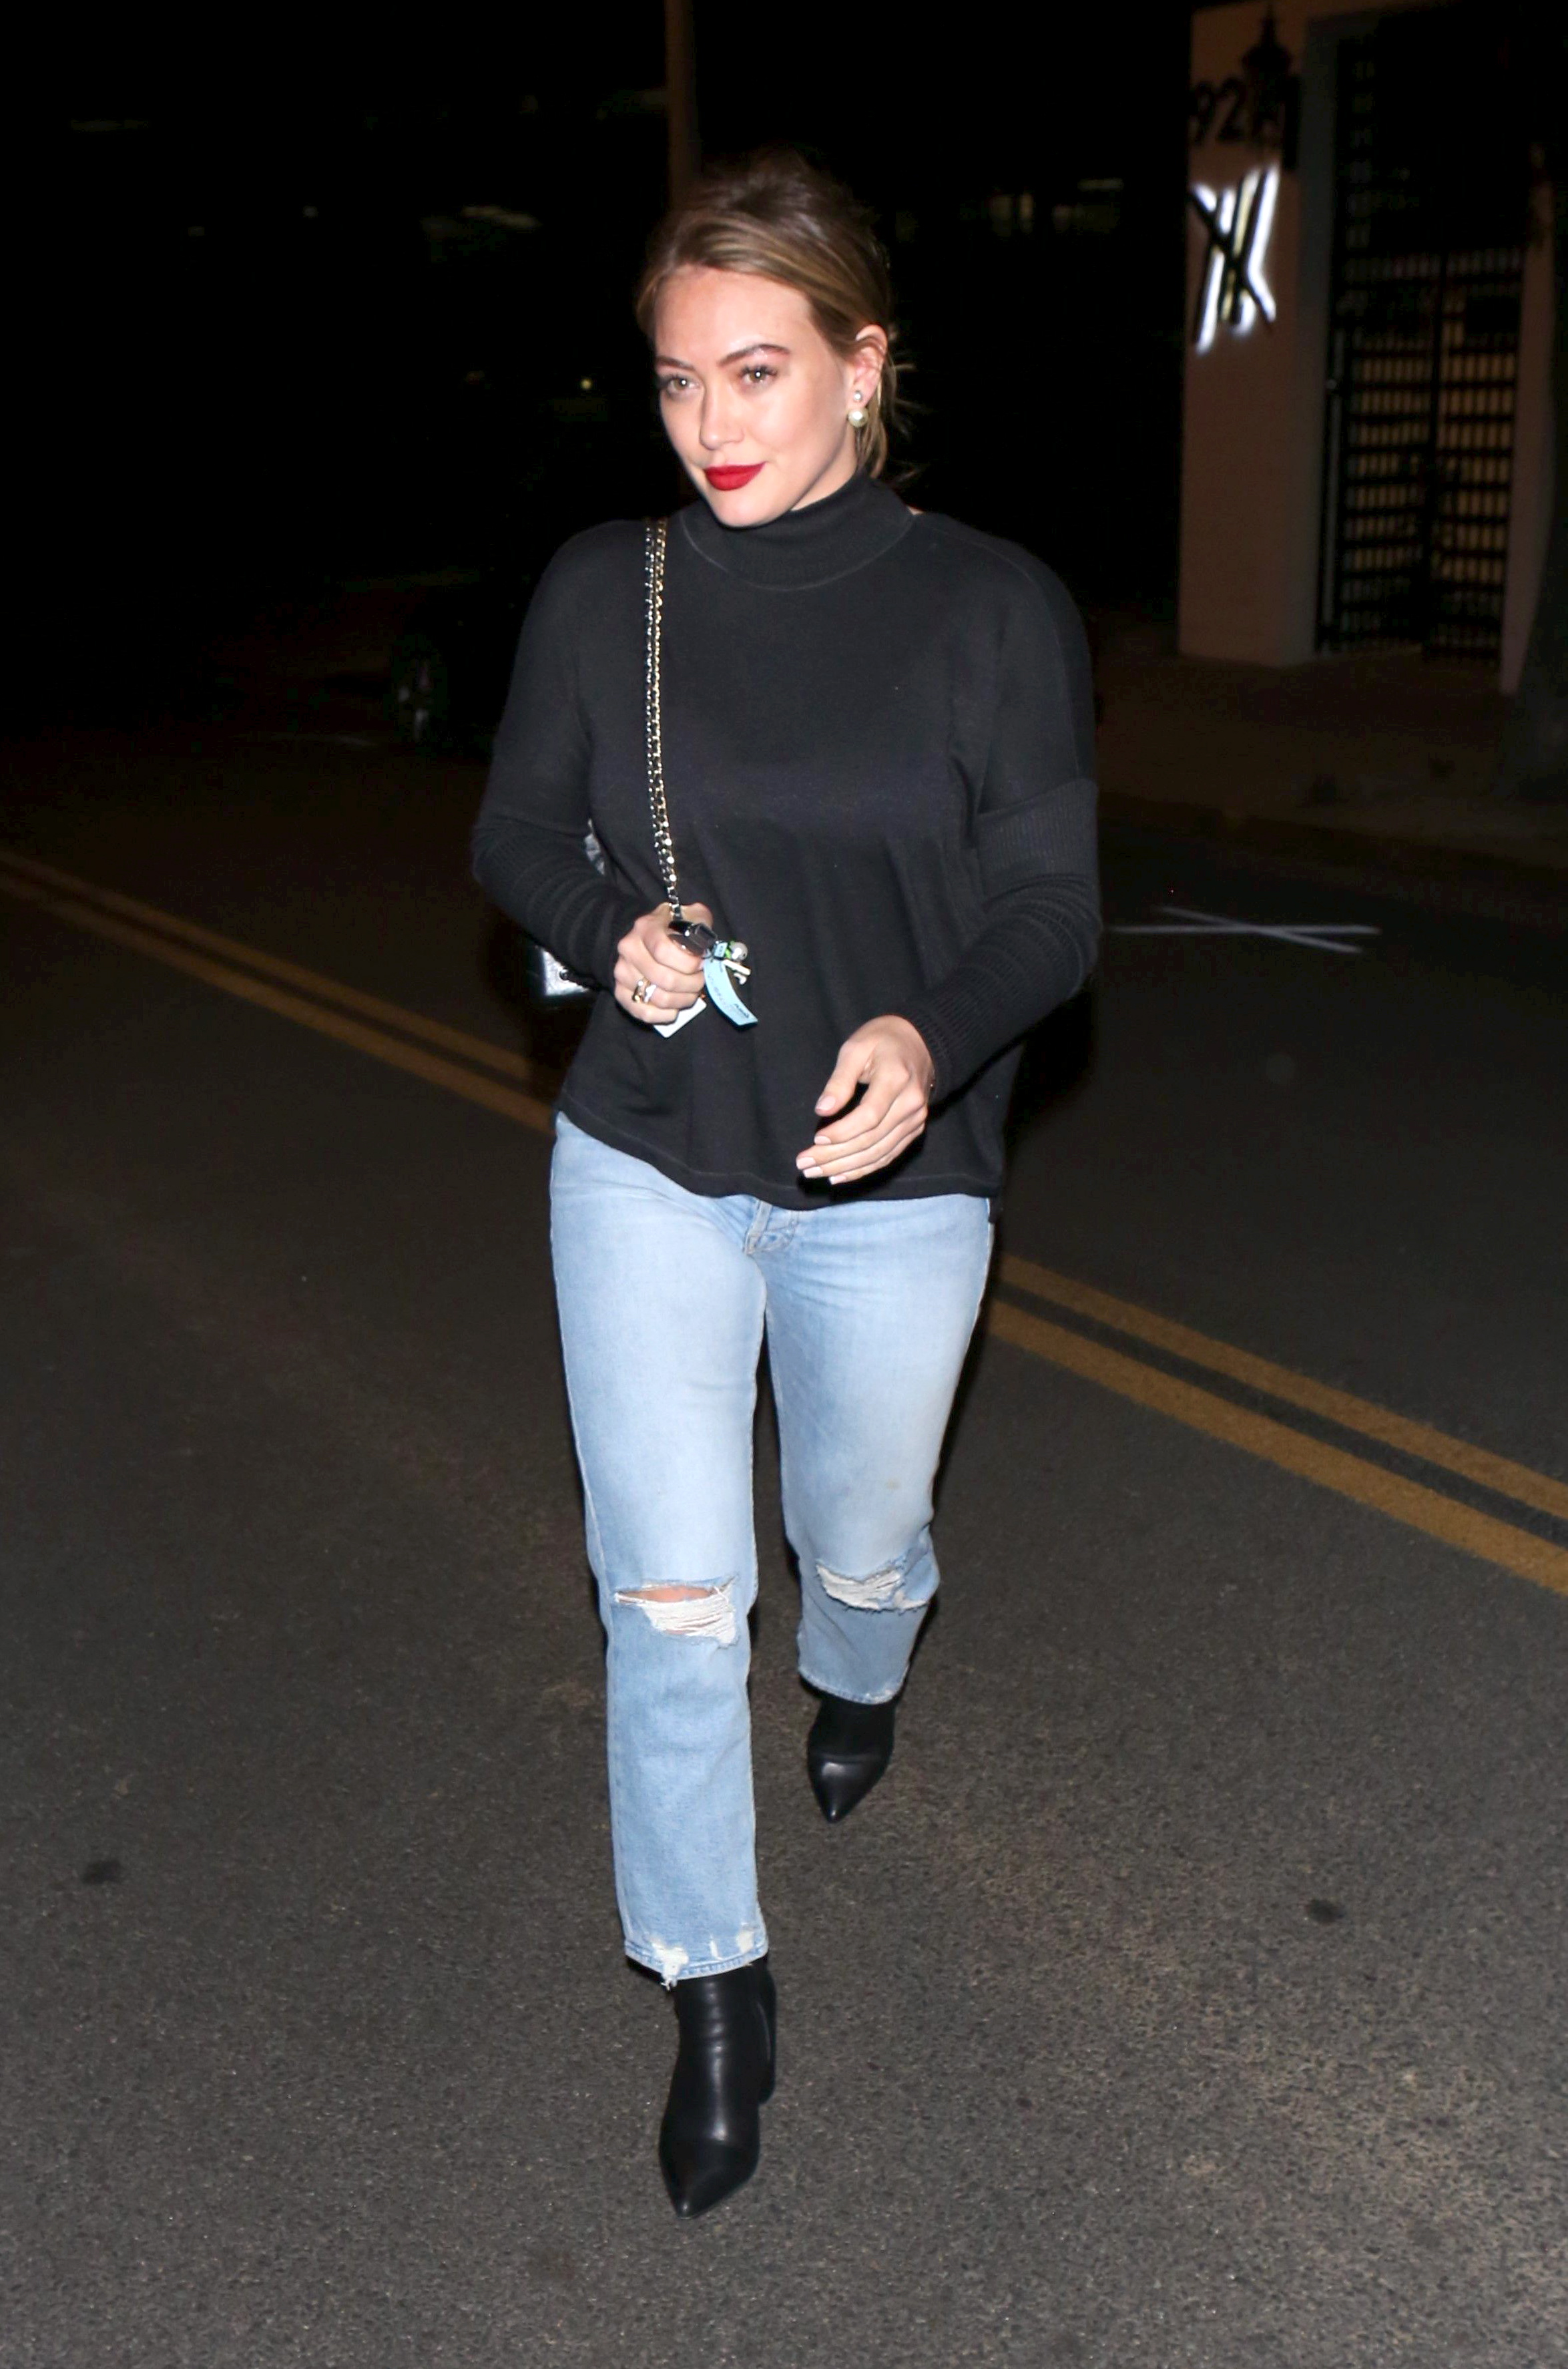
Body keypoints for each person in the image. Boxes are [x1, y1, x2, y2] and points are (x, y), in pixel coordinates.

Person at [471, 148, 1099, 2219]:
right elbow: (518, 834)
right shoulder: (609, 589)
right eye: (677, 382)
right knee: (667, 1594)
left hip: (893, 1185)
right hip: (645, 1156)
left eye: (756, 373)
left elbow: (1052, 912)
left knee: (860, 1525)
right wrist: (612, 929)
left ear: (864, 364)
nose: (711, 426)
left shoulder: (992, 610)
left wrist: (931, 1037)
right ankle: (714, 1982)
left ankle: (868, 1646)